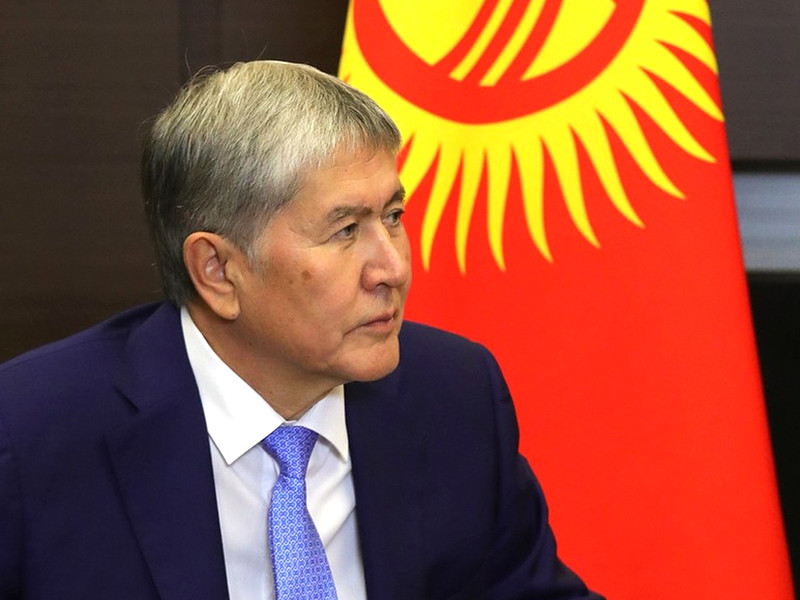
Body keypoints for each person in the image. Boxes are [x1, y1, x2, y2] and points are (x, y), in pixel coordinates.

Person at [0, 61, 603, 600]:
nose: (393, 268)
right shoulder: (30, 438)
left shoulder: (454, 395)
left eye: (393, 216)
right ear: (218, 271)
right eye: (346, 230)